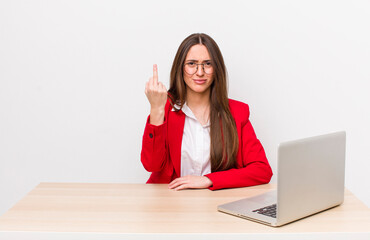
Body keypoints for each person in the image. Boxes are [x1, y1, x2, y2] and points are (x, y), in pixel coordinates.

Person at [141, 33, 272, 191]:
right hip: (168, 203)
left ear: (216, 69)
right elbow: (151, 164)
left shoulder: (237, 112)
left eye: (207, 64)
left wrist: (209, 179)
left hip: (213, 204)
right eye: (192, 64)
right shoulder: (165, 108)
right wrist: (156, 109)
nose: (200, 72)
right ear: (180, 68)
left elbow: (262, 170)